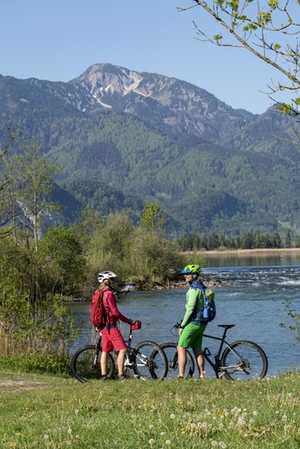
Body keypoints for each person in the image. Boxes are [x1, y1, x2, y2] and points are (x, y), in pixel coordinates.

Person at [97, 270, 134, 381]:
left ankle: (104, 376)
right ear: (106, 281)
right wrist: (127, 320)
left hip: (103, 327)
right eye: (111, 279)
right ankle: (121, 375)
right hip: (111, 327)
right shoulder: (109, 294)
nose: (113, 281)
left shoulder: (99, 292)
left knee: (105, 351)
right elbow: (115, 312)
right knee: (122, 349)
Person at [177, 264, 210, 379]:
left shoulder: (193, 290)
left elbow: (190, 308)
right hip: (202, 323)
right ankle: (202, 375)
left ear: (194, 275)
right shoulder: (202, 288)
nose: (185, 276)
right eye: (184, 274)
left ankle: (181, 375)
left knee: (181, 347)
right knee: (197, 349)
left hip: (194, 323)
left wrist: (182, 325)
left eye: (187, 274)